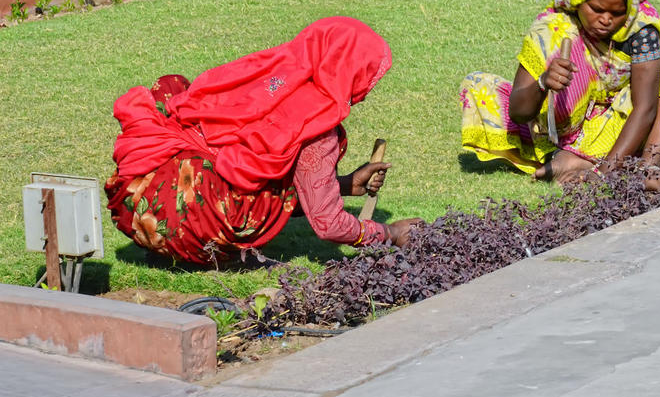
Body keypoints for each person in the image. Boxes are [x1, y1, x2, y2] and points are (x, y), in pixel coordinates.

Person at [105, 17, 422, 265]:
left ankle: (170, 240)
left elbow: (255, 157)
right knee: (256, 186)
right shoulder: (318, 125)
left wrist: (343, 183)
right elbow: (329, 225)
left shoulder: (268, 73)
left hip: (139, 190)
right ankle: (205, 253)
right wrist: (390, 234)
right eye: (369, 76)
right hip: (186, 226)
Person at [459, 0, 660, 188]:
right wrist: (543, 82)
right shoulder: (553, 29)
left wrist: (603, 175)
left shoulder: (641, 29)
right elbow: (518, 112)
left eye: (617, 13)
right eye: (596, 9)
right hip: (562, 131)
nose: (605, 20)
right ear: (579, 0)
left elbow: (645, 108)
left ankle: (648, 167)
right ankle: (572, 157)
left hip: (624, 127)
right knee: (479, 87)